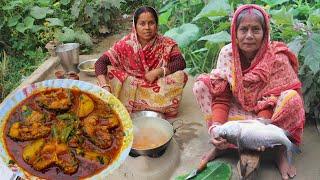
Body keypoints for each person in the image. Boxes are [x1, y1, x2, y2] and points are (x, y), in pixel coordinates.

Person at [193, 4, 305, 179]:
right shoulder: (227, 54)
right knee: (201, 86)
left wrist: (260, 131)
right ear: (235, 34)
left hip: (267, 119)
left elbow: (271, 98)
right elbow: (221, 97)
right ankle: (222, 143)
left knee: (292, 99)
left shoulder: (275, 57)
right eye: (243, 29)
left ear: (265, 33)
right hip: (237, 110)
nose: (249, 36)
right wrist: (217, 128)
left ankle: (278, 150)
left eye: (256, 29)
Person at [95, 6, 188, 118]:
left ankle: (151, 106)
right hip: (130, 87)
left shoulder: (166, 43)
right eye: (142, 24)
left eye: (151, 23)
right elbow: (100, 62)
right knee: (108, 73)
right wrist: (105, 86)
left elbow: (180, 62)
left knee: (180, 76)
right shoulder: (126, 44)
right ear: (135, 26)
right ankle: (149, 106)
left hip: (156, 85)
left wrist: (158, 71)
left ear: (157, 25)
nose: (147, 28)